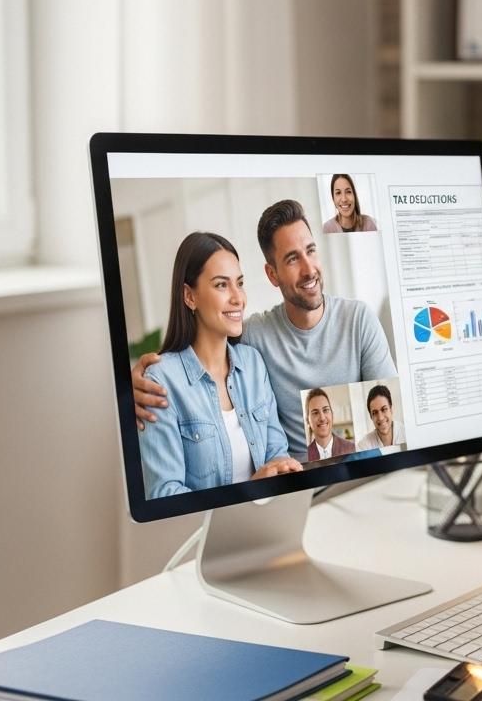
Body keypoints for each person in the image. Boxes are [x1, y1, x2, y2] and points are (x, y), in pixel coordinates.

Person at [133, 199, 398, 462]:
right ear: (272, 275)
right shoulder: (254, 336)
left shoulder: (359, 320)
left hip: (360, 473)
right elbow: (199, 349)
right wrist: (139, 381)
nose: (309, 269)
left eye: (311, 251)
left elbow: (390, 428)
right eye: (293, 259)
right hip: (300, 486)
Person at [138, 232, 302, 499]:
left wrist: (285, 470)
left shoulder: (253, 364)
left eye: (239, 283)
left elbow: (276, 453)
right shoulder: (161, 382)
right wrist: (249, 492)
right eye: (221, 285)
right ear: (189, 296)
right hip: (211, 539)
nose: (238, 298)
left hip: (267, 525)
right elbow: (165, 494)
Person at [304, 387, 357, 461]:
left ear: (332, 415)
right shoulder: (303, 457)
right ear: (307, 421)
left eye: (325, 410)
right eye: (315, 413)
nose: (322, 418)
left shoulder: (351, 448)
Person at [356, 384, 407, 453]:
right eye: (375, 413)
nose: (380, 418)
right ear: (371, 417)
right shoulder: (364, 446)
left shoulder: (407, 434)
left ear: (391, 410)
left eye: (384, 409)